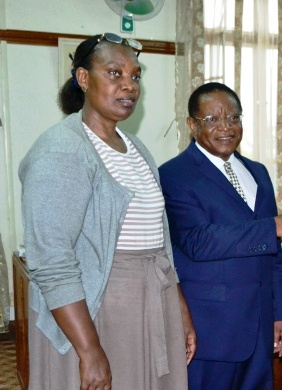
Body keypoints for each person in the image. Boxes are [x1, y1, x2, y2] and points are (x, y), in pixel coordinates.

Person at [19, 33, 196, 389]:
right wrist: (89, 349)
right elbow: (52, 260)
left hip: (148, 299)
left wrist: (179, 308)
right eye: (114, 73)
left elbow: (158, 241)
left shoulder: (136, 148)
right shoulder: (62, 150)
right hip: (93, 311)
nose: (129, 86)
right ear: (83, 78)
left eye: (135, 76)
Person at [159, 82, 282, 389]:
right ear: (192, 125)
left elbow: (271, 255)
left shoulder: (257, 172)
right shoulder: (174, 174)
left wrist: (279, 315)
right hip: (211, 331)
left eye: (233, 118)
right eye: (213, 120)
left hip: (260, 330)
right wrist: (274, 226)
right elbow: (198, 242)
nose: (226, 127)